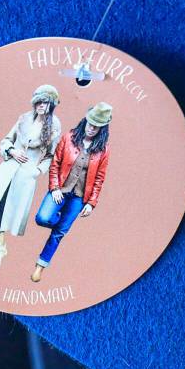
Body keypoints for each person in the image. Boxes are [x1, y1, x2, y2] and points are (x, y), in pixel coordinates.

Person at [0, 85, 62, 269]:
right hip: (7, 170)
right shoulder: (24, 118)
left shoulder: (54, 125)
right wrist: (11, 150)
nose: (41, 105)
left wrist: (37, 172)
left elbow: (51, 156)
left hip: (25, 175)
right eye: (38, 101)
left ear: (51, 105)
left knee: (8, 212)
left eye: (45, 102)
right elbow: (6, 140)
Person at [31, 103, 113, 282]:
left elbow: (99, 177)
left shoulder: (103, 149)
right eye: (90, 123)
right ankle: (61, 221)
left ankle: (40, 266)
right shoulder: (69, 137)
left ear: (102, 128)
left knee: (59, 234)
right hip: (60, 189)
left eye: (97, 126)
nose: (92, 128)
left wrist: (91, 203)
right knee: (43, 218)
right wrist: (54, 188)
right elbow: (55, 163)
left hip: (79, 197)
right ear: (85, 120)